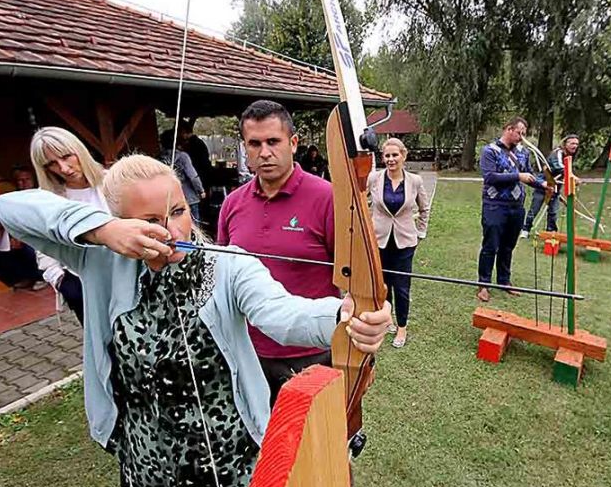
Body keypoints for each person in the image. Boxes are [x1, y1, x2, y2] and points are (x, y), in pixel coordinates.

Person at [0, 154, 392, 487]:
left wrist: (344, 319)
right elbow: (10, 207)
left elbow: (283, 316)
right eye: (148, 221)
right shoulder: (100, 261)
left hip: (233, 461)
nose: (173, 231)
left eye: (178, 211)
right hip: (150, 468)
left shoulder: (227, 263)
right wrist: (101, 231)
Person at [217, 100, 338, 408]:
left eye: (273, 141)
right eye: (254, 144)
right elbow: (221, 275)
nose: (264, 152)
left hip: (310, 353)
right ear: (245, 149)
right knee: (258, 445)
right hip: (249, 352)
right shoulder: (232, 204)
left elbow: (353, 279)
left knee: (315, 449)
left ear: (293, 143)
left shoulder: (328, 199)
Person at [30, 126, 108, 325]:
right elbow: (43, 247)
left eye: (66, 156)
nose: (63, 168)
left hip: (130, 281)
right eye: (52, 164)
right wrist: (61, 281)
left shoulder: (114, 181)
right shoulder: (49, 199)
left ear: (78, 150)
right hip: (83, 286)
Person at [367, 138, 431, 348]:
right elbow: (361, 202)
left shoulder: (415, 181)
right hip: (379, 241)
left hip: (405, 242)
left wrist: (420, 232)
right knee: (383, 285)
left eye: (395, 155)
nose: (391, 159)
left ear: (404, 156)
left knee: (402, 287)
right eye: (387, 155)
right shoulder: (374, 179)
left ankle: (402, 327)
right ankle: (389, 320)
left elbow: (424, 208)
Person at [476, 117, 542, 303]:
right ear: (508, 129)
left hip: (516, 207)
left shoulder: (523, 152)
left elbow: (530, 175)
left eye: (524, 133)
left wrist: (545, 185)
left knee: (508, 246)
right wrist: (517, 176)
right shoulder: (490, 151)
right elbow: (490, 177)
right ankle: (484, 284)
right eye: (520, 132)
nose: (522, 137)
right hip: (494, 206)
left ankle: (504, 281)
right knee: (491, 245)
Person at [0, 165, 46, 290]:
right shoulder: (13, 198)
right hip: (22, 233)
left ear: (33, 180)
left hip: (40, 234)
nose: (23, 183)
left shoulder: (41, 195)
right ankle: (26, 277)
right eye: (19, 181)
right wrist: (15, 237)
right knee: (5, 250)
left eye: (27, 179)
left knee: (29, 249)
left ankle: (41, 277)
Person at [521, 134, 580, 237]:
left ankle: (551, 232)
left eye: (576, 144)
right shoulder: (558, 153)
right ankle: (525, 230)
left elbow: (562, 174)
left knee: (553, 212)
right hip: (543, 184)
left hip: (556, 187)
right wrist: (572, 176)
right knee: (534, 210)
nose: (574, 146)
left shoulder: (569, 156)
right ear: (565, 144)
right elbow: (559, 167)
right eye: (572, 143)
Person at [160, 128, 205, 222]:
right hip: (189, 197)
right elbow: (193, 176)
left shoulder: (159, 159)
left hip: (170, 198)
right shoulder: (183, 157)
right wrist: (201, 190)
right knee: (195, 227)